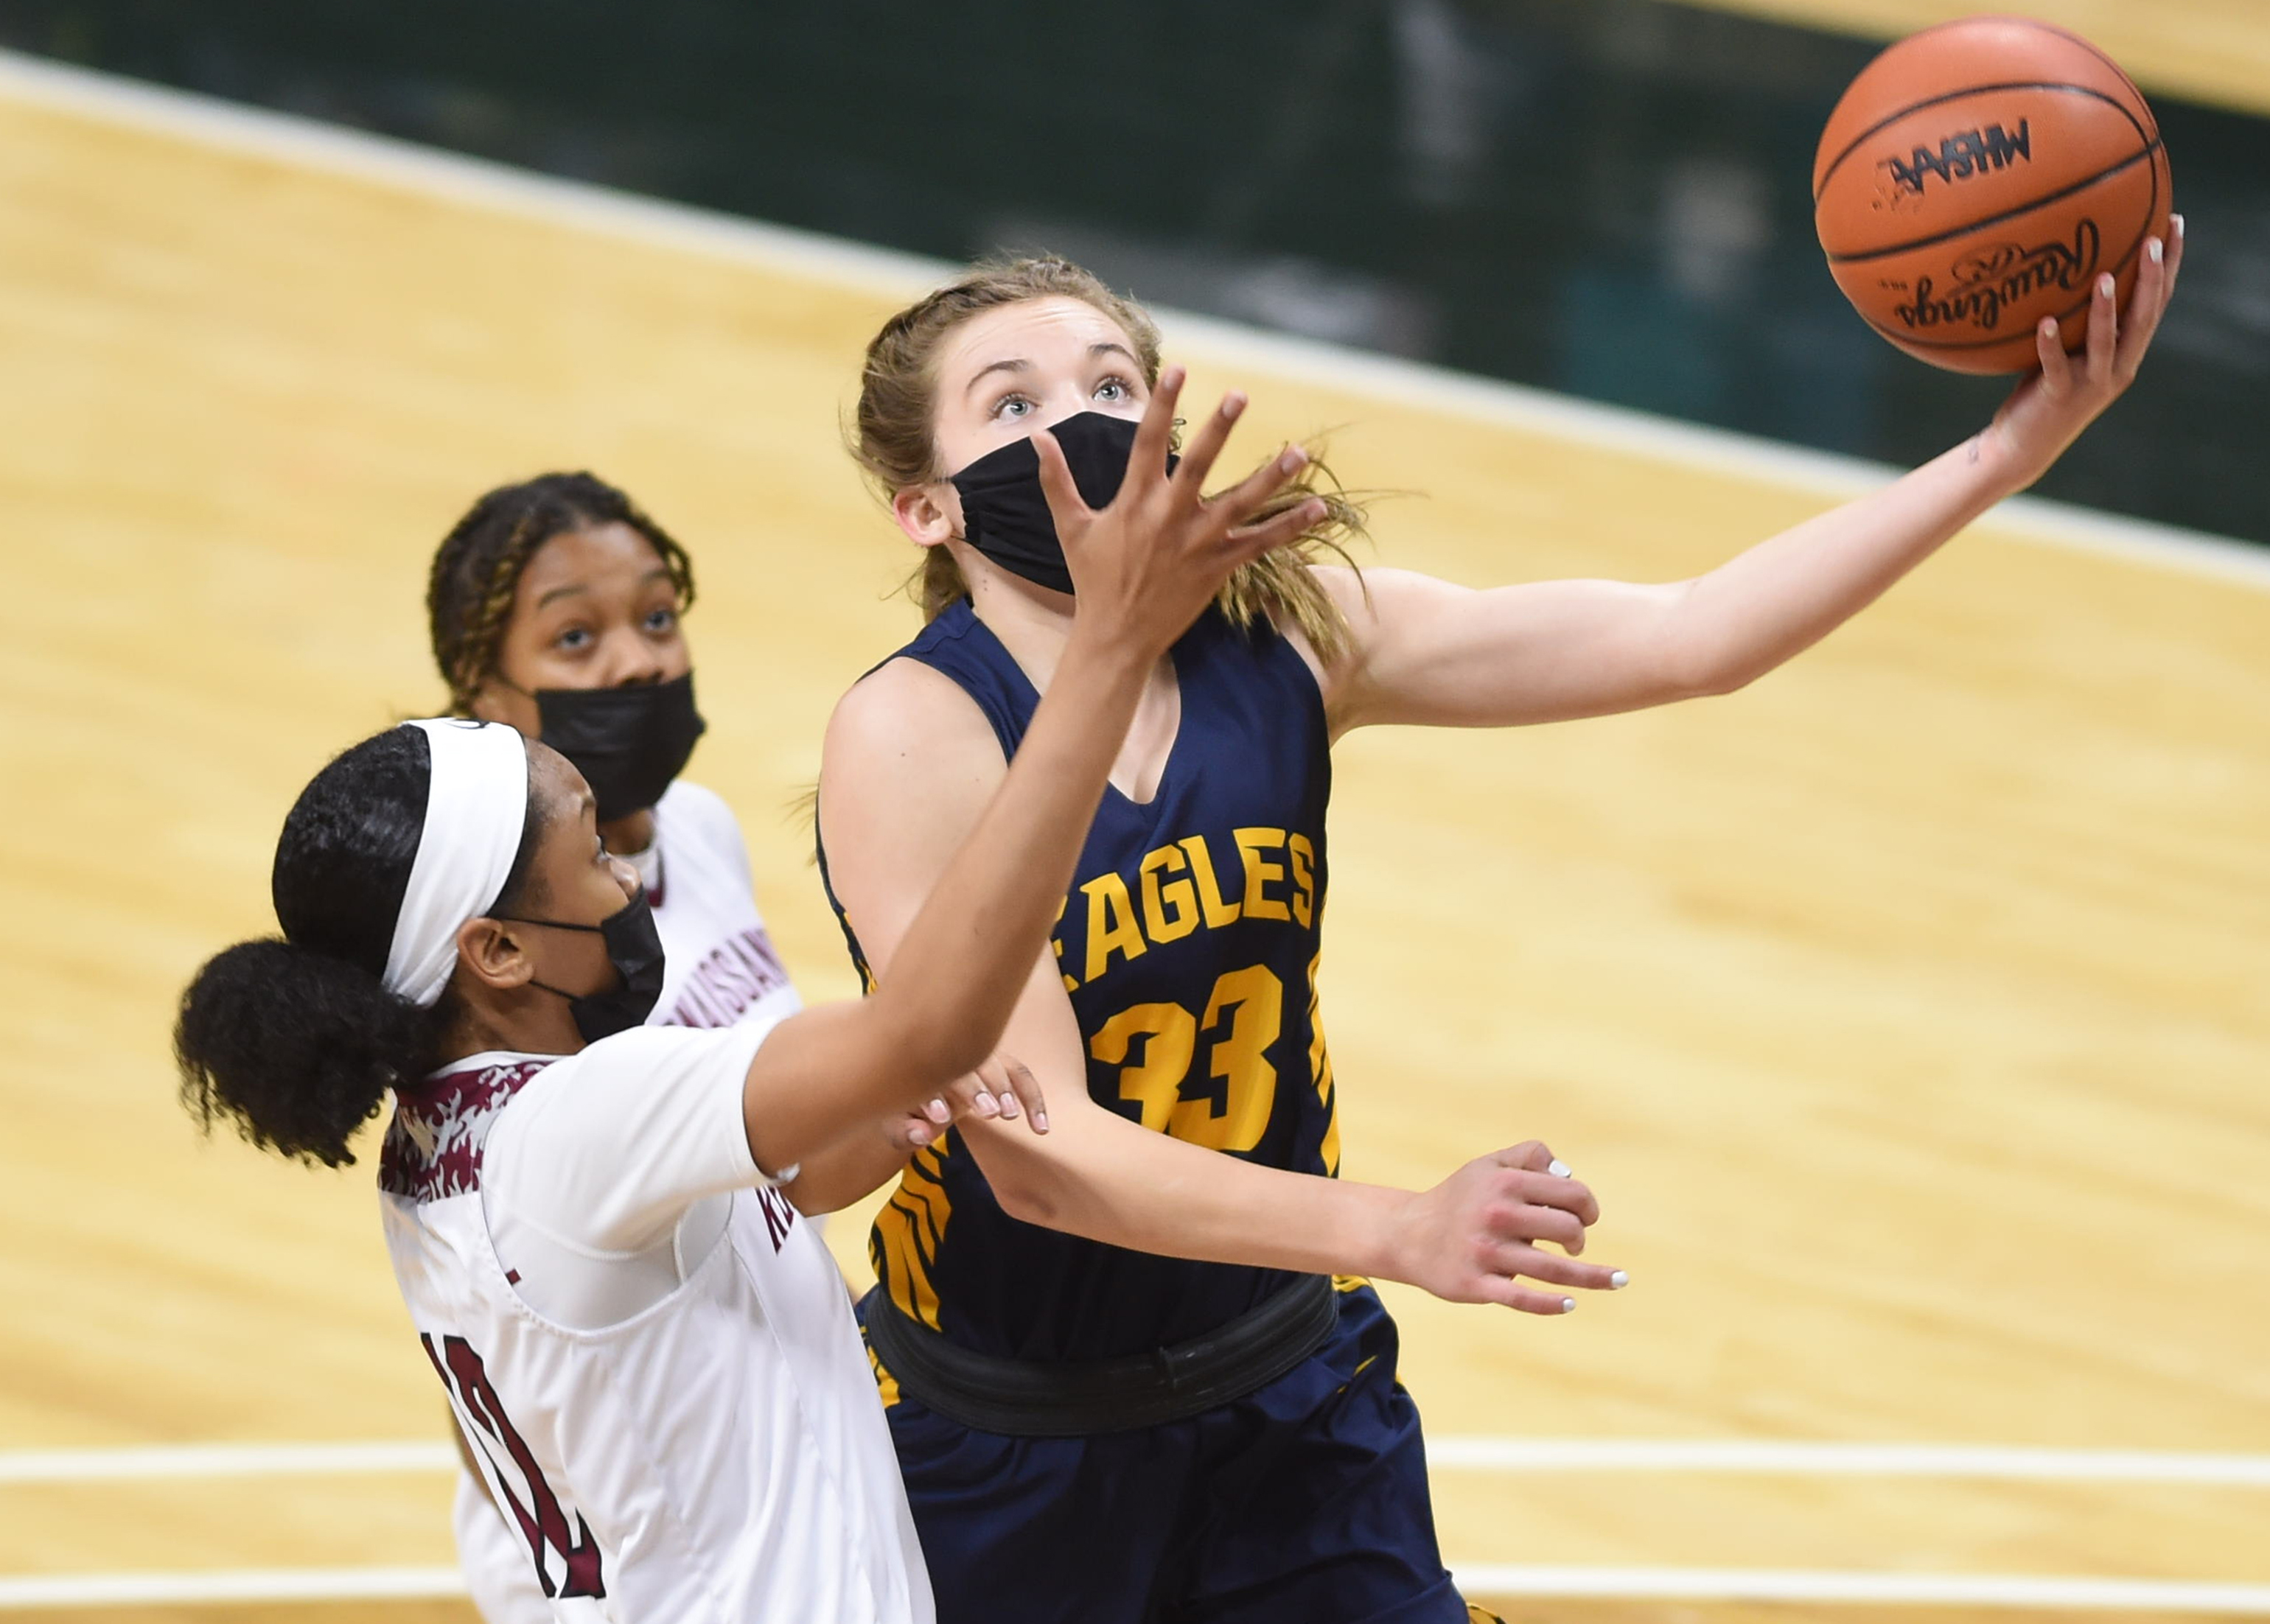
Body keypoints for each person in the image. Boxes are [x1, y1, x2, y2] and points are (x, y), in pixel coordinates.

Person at [815, 235, 2182, 1624]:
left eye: (1113, 382)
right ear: (927, 510)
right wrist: (1398, 1226)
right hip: (1010, 1436)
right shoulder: (915, 734)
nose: (1083, 422)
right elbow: (1047, 1163)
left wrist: (2008, 453)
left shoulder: (1289, 631)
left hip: (1286, 1390)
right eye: (1014, 403)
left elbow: (1689, 634)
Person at [170, 385, 1337, 1622]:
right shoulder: (580, 1123)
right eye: (595, 858)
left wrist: (885, 1109)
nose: (632, 875)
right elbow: (928, 1022)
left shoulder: (451, 1128)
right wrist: (1106, 652)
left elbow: (772, 1183)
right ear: (497, 950)